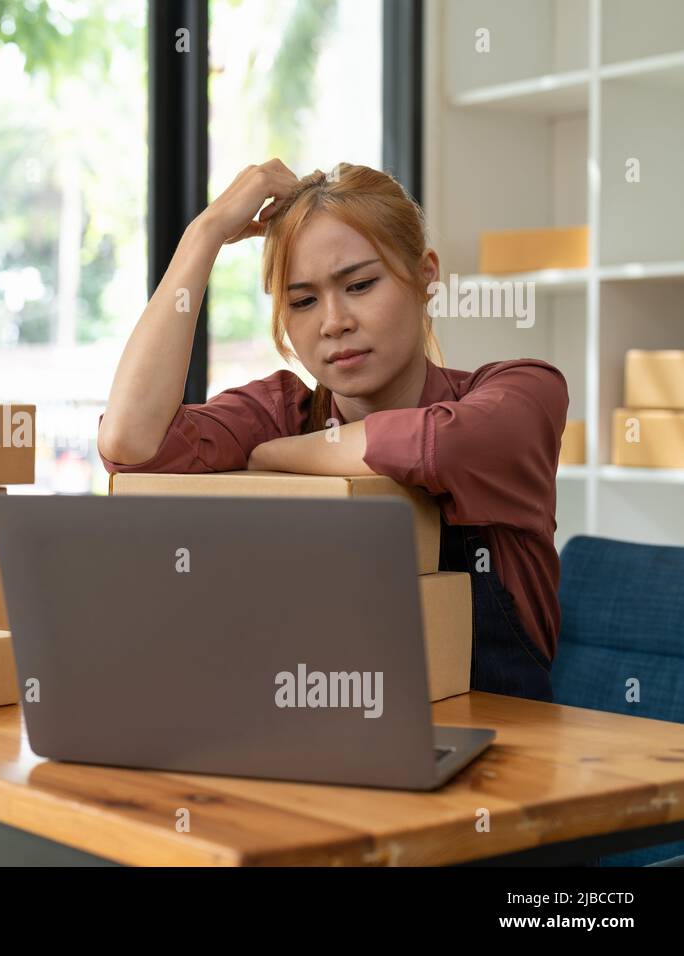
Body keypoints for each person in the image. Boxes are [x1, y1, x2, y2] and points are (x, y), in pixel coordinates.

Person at [97, 160, 568, 702]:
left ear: (425, 274)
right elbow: (131, 444)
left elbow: (442, 446)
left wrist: (277, 456)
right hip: (318, 726)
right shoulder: (281, 408)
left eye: (360, 284)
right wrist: (203, 234)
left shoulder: (522, 392)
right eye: (302, 301)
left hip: (507, 749)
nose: (333, 321)